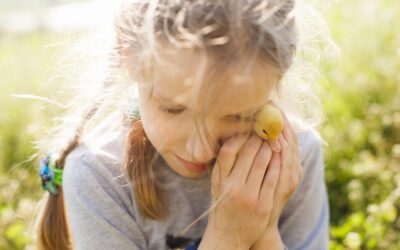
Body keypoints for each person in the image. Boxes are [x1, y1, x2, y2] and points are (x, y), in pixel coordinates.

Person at [34, 0, 331, 249]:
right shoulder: (98, 176)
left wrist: (265, 233)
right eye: (172, 109)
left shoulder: (296, 159)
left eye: (237, 115)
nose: (199, 151)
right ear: (129, 57)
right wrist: (230, 237)